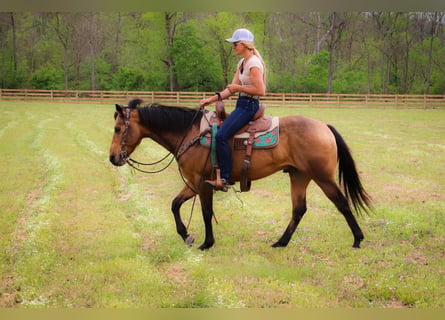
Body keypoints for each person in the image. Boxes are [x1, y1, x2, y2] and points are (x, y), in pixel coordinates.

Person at [200, 28, 266, 191]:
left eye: (235, 44)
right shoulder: (242, 63)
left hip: (249, 106)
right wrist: (210, 100)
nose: (233, 47)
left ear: (244, 44)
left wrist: (238, 88)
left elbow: (261, 90)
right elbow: (230, 89)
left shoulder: (253, 64)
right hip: (241, 104)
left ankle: (226, 177)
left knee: (221, 136)